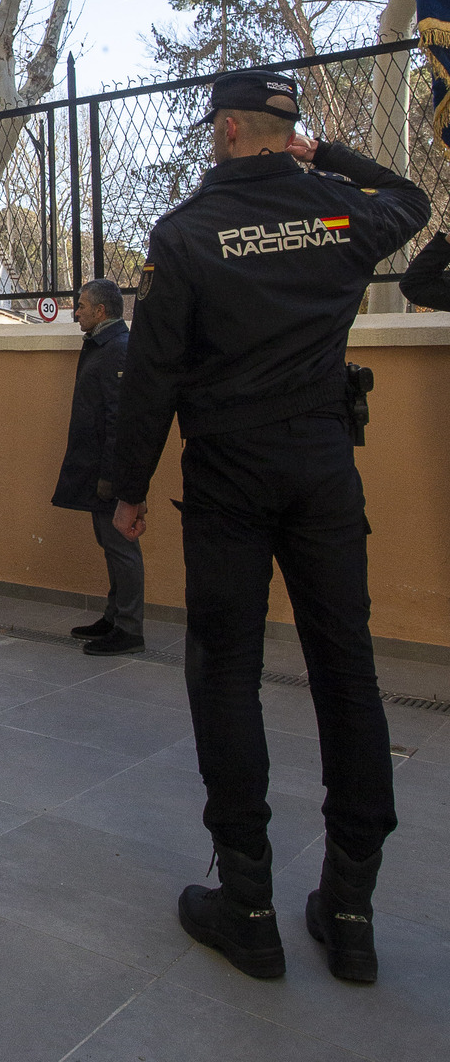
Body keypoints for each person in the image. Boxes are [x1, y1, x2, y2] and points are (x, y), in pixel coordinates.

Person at [108, 69, 429, 985]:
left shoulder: (185, 235)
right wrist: (326, 155)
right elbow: (407, 197)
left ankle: (247, 906)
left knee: (225, 673)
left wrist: (126, 488)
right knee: (347, 671)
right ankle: (351, 911)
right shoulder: (339, 216)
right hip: (325, 471)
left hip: (230, 478)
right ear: (286, 134)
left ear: (222, 131)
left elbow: (153, 376)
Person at [51, 277, 144, 656]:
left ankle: (130, 629)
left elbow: (121, 420)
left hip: (112, 473)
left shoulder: (117, 349)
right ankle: (114, 616)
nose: (77, 312)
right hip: (98, 470)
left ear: (101, 310)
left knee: (122, 547)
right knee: (110, 544)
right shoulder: (101, 346)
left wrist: (112, 477)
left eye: (82, 306)